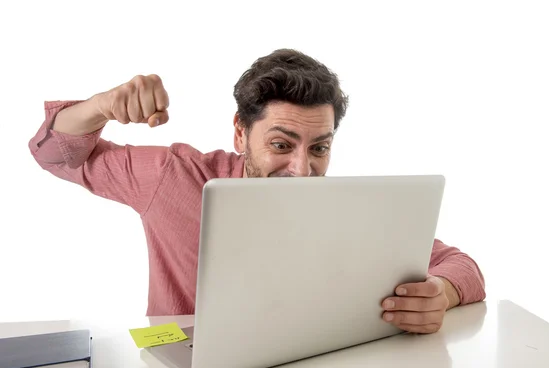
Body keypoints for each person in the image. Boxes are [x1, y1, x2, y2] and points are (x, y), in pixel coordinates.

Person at [28, 48, 485, 334]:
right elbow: (52, 154)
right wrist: (102, 106)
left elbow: (462, 266)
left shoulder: (344, 208)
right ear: (241, 135)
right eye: (281, 145)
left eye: (320, 148)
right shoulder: (173, 176)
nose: (303, 170)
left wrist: (441, 292)